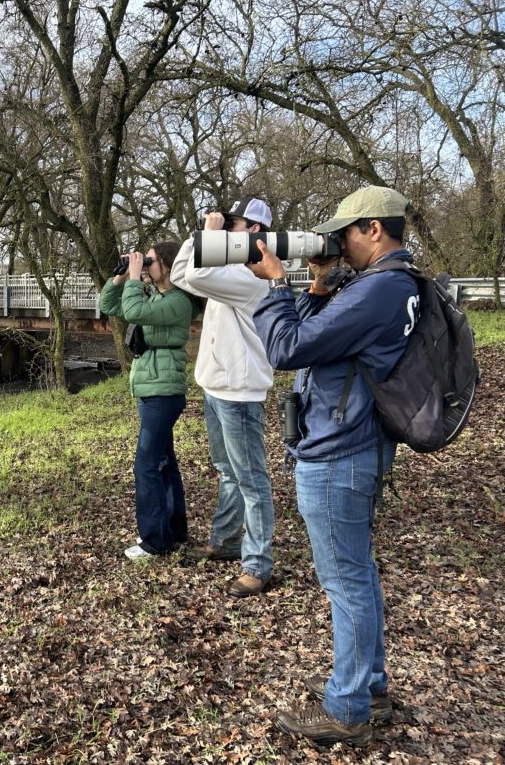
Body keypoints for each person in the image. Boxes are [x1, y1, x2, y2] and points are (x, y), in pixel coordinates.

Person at [247, 186, 418, 746]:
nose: (338, 242)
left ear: (374, 229)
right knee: (358, 574)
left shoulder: (381, 289)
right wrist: (317, 283)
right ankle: (370, 687)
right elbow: (324, 342)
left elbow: (287, 349)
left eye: (345, 232)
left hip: (340, 452)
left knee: (345, 582)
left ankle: (346, 709)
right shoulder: (389, 286)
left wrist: (276, 282)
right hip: (358, 444)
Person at [170, 196, 277, 597]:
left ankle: (258, 564)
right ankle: (227, 540)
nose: (226, 226)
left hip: (240, 392)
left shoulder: (252, 276)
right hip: (216, 386)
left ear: (254, 232)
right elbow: (184, 273)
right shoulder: (227, 268)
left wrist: (207, 235)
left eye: (234, 222)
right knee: (227, 469)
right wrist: (206, 235)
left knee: (251, 479)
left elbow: (191, 276)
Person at [98, 241, 194, 559]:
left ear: (167, 265)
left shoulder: (179, 301)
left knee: (146, 464)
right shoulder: (155, 295)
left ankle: (154, 541)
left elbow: (134, 311)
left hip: (163, 392)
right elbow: (110, 305)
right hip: (151, 387)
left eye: (151, 261)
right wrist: (121, 277)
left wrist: (137, 279)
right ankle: (175, 532)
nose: (147, 265)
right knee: (165, 463)